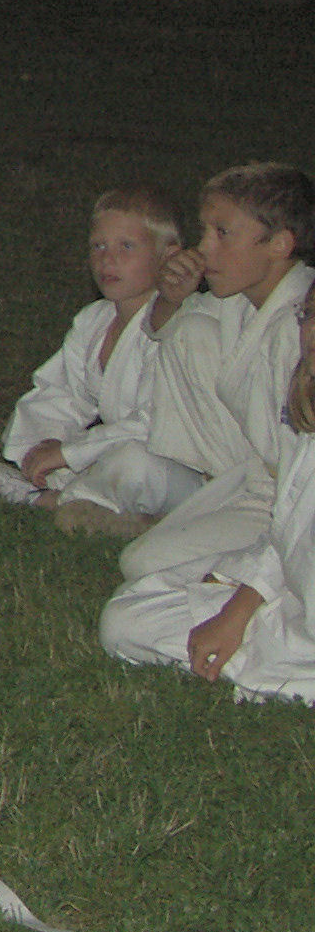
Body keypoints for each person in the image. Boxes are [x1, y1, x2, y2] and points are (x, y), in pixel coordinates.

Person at [102, 163, 313, 594]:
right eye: (205, 232)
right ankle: (204, 495)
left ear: (279, 243)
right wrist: (171, 298)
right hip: (249, 476)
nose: (204, 248)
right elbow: (163, 330)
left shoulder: (299, 330)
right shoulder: (242, 298)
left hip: (291, 502)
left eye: (222, 234)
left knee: (143, 566)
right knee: (190, 329)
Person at [101, 290, 315, 702]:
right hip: (289, 608)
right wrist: (240, 603)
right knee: (126, 614)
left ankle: (277, 677)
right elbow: (287, 535)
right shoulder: (308, 429)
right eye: (309, 315)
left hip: (299, 640)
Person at [0, 186, 193, 528]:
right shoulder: (94, 321)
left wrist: (69, 453)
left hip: (180, 472)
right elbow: (58, 393)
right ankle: (85, 501)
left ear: (168, 256)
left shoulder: (178, 326)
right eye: (98, 246)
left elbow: (154, 424)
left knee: (134, 463)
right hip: (111, 456)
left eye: (126, 246)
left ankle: (54, 501)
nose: (107, 259)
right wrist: (43, 445)